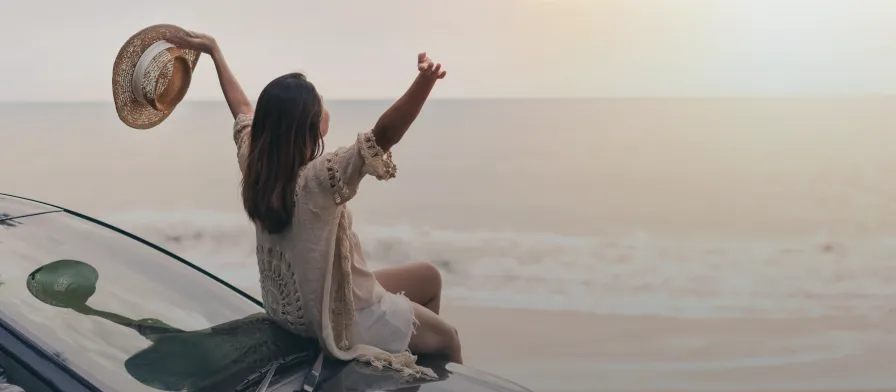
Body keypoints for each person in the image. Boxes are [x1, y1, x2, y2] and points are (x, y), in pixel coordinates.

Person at [167, 31, 460, 377]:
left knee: (428, 277)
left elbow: (243, 110)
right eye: (319, 102)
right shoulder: (319, 179)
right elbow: (383, 134)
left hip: (295, 308)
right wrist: (424, 82)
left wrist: (214, 51)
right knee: (449, 338)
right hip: (336, 321)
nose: (325, 105)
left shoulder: (256, 163)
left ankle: (403, 372)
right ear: (307, 127)